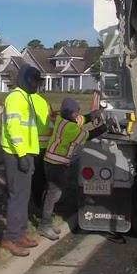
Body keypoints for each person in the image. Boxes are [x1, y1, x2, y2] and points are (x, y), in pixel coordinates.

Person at [38, 98, 106, 240]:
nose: (77, 114)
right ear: (69, 113)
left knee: (52, 192)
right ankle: (44, 225)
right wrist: (106, 127)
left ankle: (46, 222)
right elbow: (88, 135)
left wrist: (93, 114)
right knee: (54, 194)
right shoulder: (70, 128)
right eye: (76, 112)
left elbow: (80, 120)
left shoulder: (60, 119)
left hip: (50, 161)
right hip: (56, 163)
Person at [0, 65, 42, 257]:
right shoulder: (16, 98)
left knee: (23, 197)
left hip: (26, 153)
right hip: (17, 154)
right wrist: (21, 155)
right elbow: (13, 128)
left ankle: (21, 233)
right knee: (17, 197)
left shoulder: (25, 97)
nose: (37, 85)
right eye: (35, 81)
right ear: (26, 80)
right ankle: (10, 238)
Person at [30, 88, 54, 214]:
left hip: (31, 146)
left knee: (36, 178)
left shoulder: (23, 100)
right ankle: (42, 206)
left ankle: (38, 204)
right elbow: (49, 123)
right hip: (45, 146)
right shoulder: (43, 102)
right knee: (43, 178)